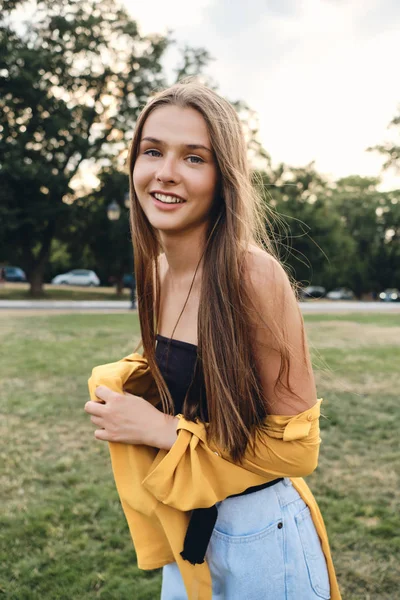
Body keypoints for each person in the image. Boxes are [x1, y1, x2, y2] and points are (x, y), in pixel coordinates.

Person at [85, 81, 341, 599]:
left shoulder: (252, 276)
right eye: (152, 151)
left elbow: (298, 454)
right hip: (186, 532)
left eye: (193, 158)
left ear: (224, 178)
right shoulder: (157, 271)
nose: (166, 173)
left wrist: (160, 429)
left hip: (261, 538)